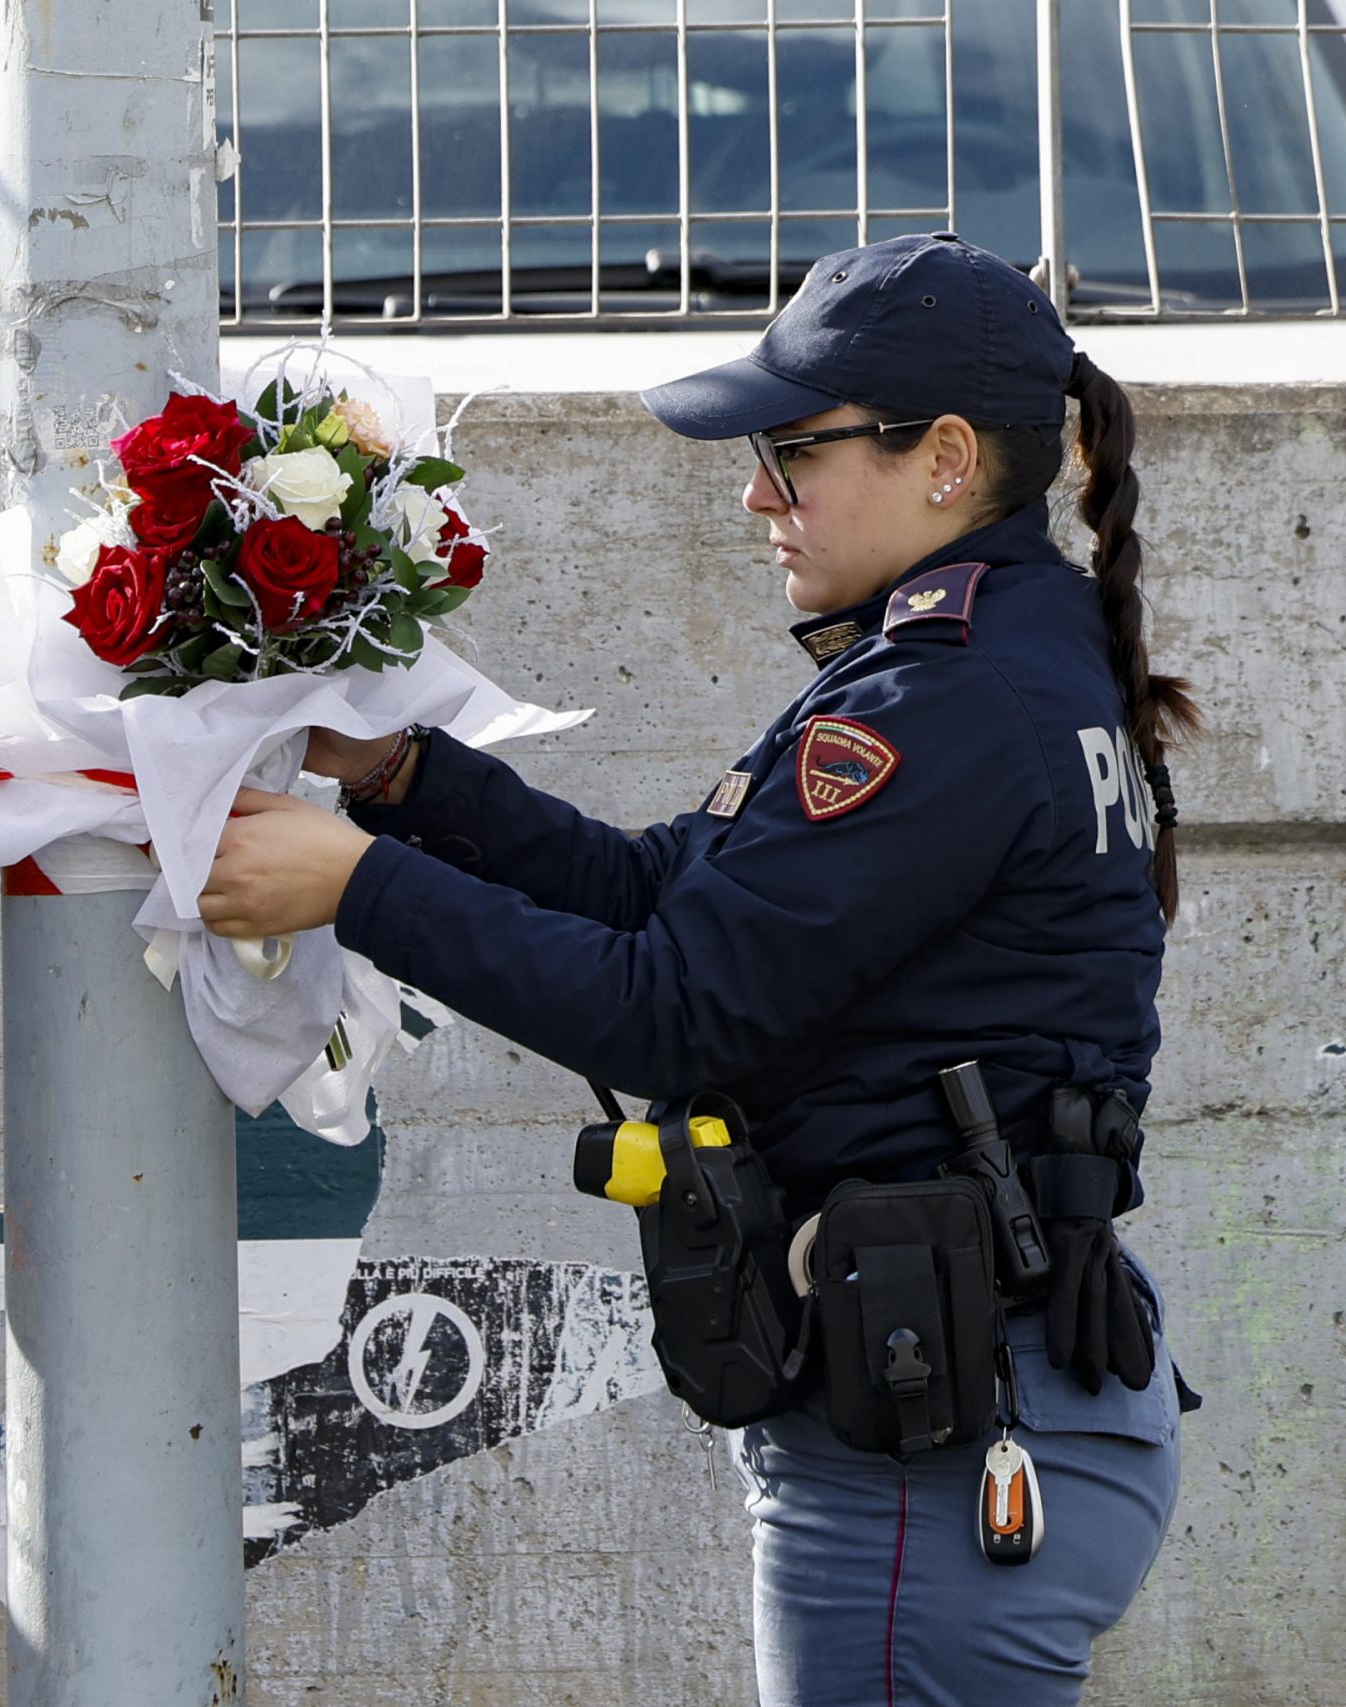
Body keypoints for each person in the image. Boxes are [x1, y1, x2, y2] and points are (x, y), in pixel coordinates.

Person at [198, 232, 1192, 1705]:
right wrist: (411, 780)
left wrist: (358, 886)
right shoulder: (994, 657)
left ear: (947, 458)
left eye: (795, 452)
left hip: (943, 1434)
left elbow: (671, 1008)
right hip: (981, 1396)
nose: (756, 494)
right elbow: (678, 894)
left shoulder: (950, 701)